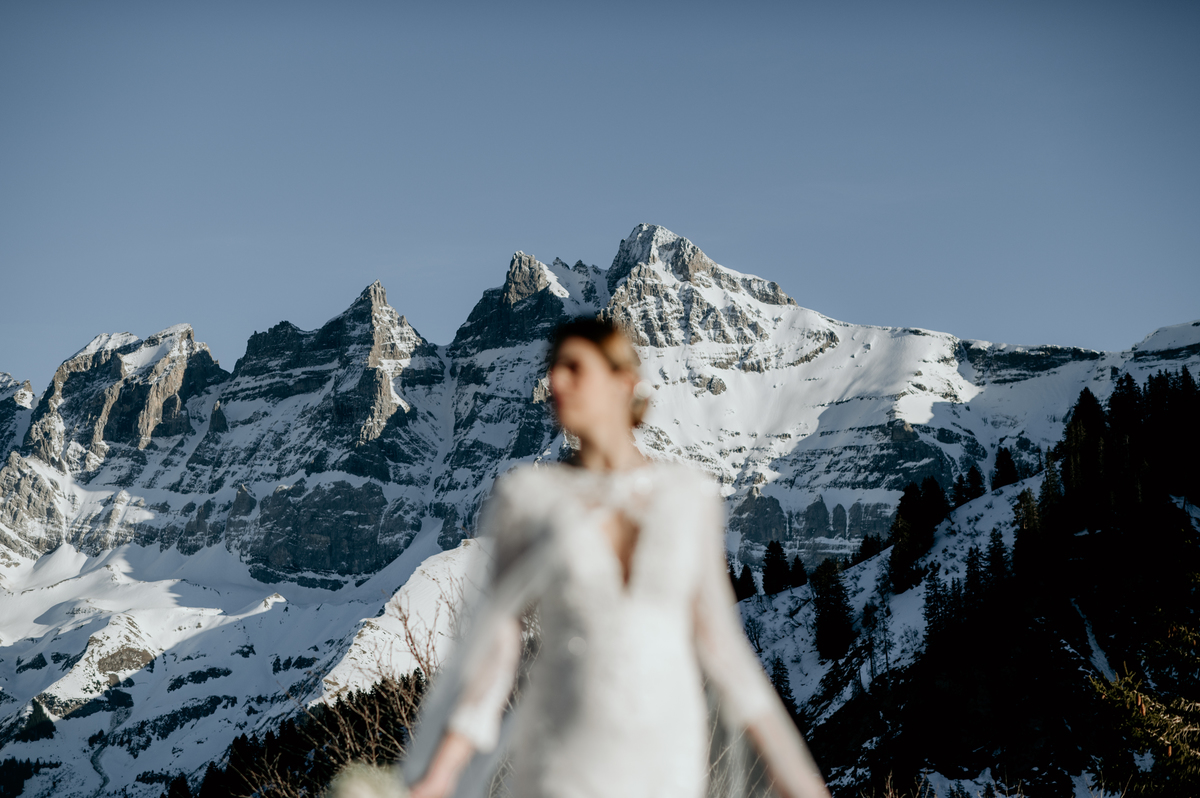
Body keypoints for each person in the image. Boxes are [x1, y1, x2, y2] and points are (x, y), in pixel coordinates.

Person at [406, 317, 830, 798]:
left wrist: (794, 776)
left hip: (668, 757)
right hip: (564, 755)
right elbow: (496, 650)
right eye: (552, 369)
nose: (555, 382)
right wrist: (439, 777)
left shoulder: (686, 497)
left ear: (622, 381)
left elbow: (724, 649)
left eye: (573, 368)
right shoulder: (529, 498)